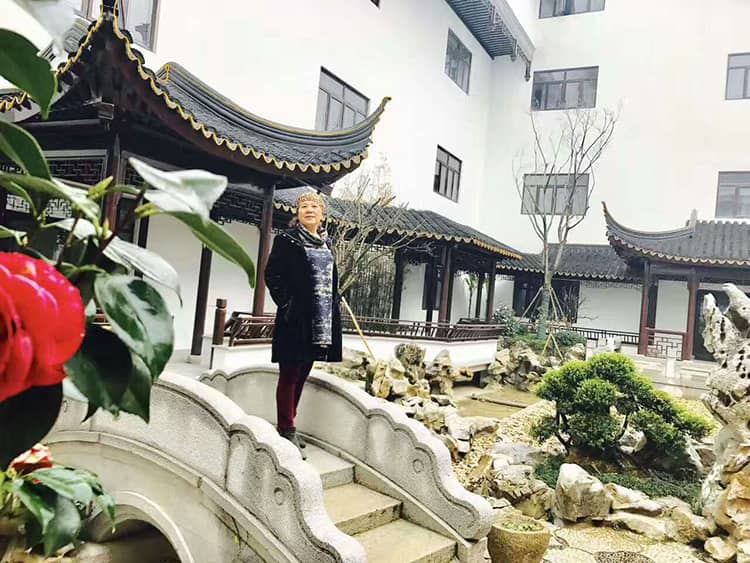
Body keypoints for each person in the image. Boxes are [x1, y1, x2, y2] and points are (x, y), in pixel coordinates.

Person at [264, 191, 343, 459]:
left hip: (320, 319)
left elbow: (331, 278)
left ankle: (289, 423)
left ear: (322, 214)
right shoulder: (286, 240)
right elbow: (272, 274)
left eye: (314, 206)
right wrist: (287, 303)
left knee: (303, 371)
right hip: (295, 318)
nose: (309, 210)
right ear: (297, 214)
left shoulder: (326, 243)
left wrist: (334, 301)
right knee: (289, 373)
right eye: (303, 206)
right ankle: (286, 429)